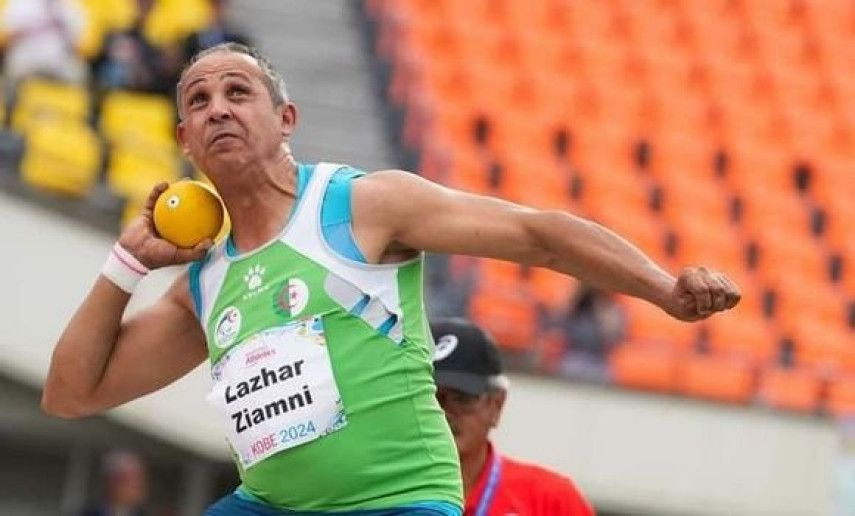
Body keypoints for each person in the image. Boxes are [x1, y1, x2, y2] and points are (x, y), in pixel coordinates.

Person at [41, 42, 741, 516]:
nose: (217, 107)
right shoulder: (205, 279)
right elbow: (72, 393)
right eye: (197, 102)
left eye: (237, 92)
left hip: (399, 502)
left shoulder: (362, 207)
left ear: (285, 119)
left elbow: (538, 235)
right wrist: (126, 263)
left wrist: (663, 290)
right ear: (185, 142)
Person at [431, 317, 594, 515]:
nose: (441, 412)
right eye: (427, 397)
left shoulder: (550, 501)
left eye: (461, 397)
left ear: (497, 405)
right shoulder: (384, 491)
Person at [80, 450, 149, 516]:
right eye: (130, 481)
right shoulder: (89, 513)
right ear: (112, 482)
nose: (137, 487)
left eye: (139, 482)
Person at [181, 0, 252, 63]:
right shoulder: (190, 42)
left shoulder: (240, 41)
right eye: (212, 6)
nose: (214, 10)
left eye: (218, 6)